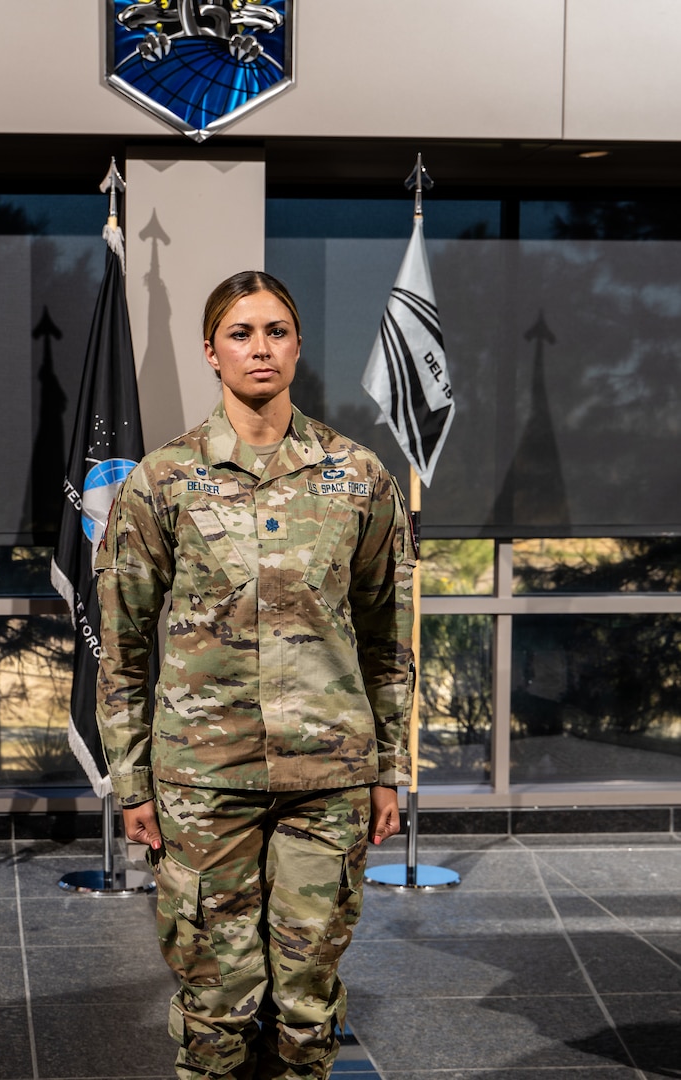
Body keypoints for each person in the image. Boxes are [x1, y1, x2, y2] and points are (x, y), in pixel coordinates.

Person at [95, 271, 412, 1079]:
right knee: (215, 1010)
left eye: (276, 331)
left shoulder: (358, 477)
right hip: (206, 779)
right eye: (241, 333)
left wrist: (389, 770)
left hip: (328, 776)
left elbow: (388, 636)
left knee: (308, 1008)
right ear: (211, 352)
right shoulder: (163, 481)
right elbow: (123, 643)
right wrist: (133, 784)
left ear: (298, 347)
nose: (260, 347)